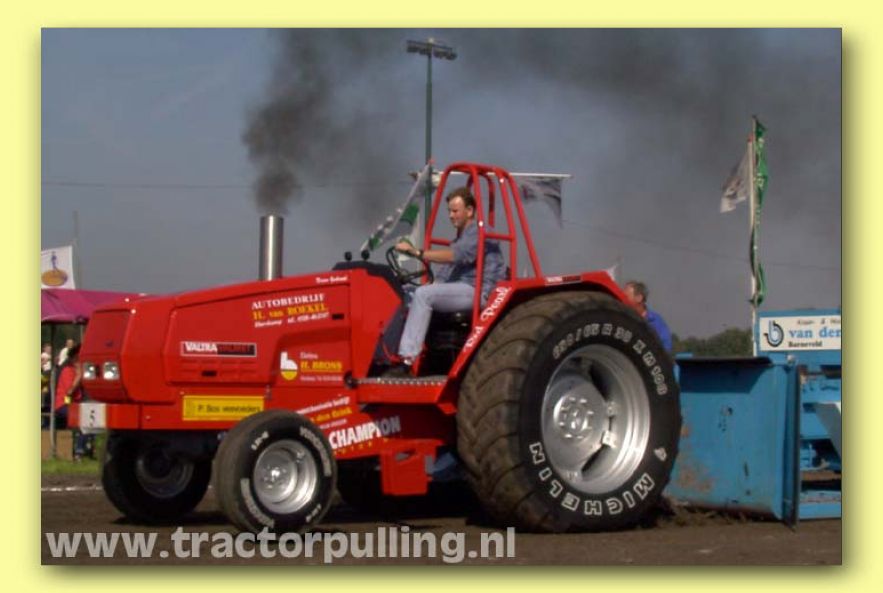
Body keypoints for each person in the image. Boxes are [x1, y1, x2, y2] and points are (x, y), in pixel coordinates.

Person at [392, 186, 506, 372]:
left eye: (455, 211)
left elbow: (456, 256)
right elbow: (445, 273)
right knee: (405, 294)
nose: (451, 216)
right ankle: (387, 356)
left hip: (477, 290)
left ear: (469, 211)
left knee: (423, 295)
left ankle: (407, 359)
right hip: (460, 288)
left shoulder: (480, 232)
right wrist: (432, 284)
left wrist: (417, 252)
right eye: (449, 211)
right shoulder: (459, 239)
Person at [54, 344, 93, 459]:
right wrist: (78, 376)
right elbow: (69, 391)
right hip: (63, 404)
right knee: (82, 421)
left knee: (91, 421)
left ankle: (86, 448)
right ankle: (79, 451)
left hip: (76, 405)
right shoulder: (67, 371)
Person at [624, 280, 673, 352]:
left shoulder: (655, 321)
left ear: (639, 298)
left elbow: (666, 348)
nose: (622, 300)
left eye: (625, 296)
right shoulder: (622, 319)